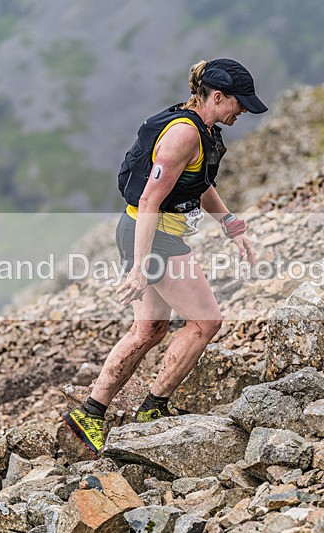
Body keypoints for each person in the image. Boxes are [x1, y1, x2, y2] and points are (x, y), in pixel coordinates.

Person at [63, 58, 268, 455]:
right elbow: (150, 198)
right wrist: (141, 267)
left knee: (150, 329)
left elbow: (198, 182)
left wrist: (231, 224)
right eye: (238, 103)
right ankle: (152, 409)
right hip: (155, 238)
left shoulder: (200, 126)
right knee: (207, 322)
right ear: (218, 96)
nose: (242, 111)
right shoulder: (183, 135)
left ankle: (90, 412)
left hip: (150, 235)